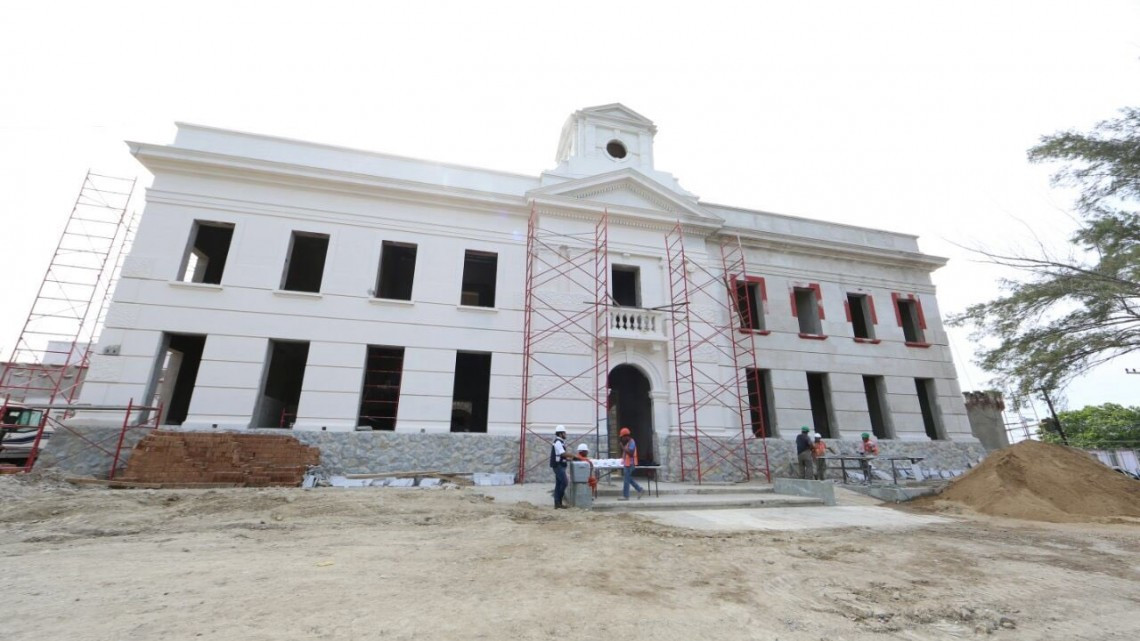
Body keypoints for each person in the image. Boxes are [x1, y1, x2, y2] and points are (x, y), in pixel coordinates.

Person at [617, 427, 643, 500]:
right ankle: (639, 489)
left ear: (626, 436)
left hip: (630, 464)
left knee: (626, 480)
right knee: (627, 478)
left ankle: (626, 496)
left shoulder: (632, 442)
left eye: (622, 437)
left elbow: (631, 452)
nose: (622, 439)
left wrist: (622, 447)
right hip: (627, 464)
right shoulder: (628, 443)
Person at [549, 426, 571, 508]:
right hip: (558, 466)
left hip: (560, 465)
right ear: (561, 433)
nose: (566, 434)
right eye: (564, 433)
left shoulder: (560, 442)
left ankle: (558, 503)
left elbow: (561, 456)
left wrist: (569, 459)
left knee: (559, 484)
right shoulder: (558, 442)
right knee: (564, 482)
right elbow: (563, 453)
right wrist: (574, 456)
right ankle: (558, 501)